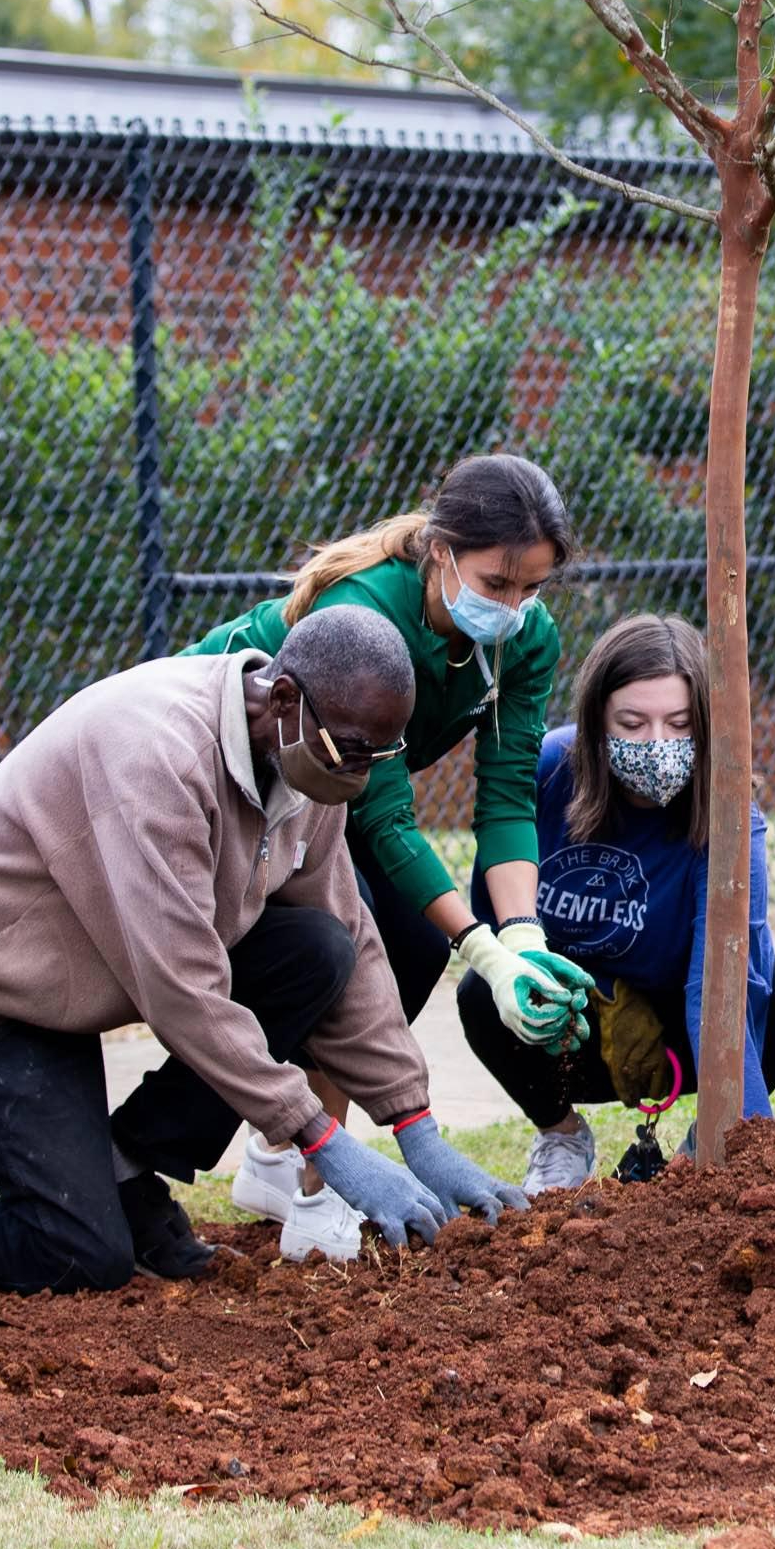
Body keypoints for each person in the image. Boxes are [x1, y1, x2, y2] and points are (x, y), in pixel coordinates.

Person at [0, 605, 525, 1305]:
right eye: (353, 750)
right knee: (74, 1255)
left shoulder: (312, 757)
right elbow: (180, 986)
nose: (362, 774)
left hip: (79, 973)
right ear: (282, 698)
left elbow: (346, 929)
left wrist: (413, 1123)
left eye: (381, 755)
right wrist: (320, 1139)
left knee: (315, 951)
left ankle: (124, 1176)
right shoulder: (157, 752)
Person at [181, 455, 596, 1252]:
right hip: (220, 782)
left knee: (409, 947)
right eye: (496, 583)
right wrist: (480, 949)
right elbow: (385, 816)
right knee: (347, 943)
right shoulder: (367, 610)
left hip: (322, 792)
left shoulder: (524, 639)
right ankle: (315, 1188)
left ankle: (278, 1159)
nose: (512, 607)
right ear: (440, 551)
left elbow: (507, 794)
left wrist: (521, 938)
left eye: (532, 588)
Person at [455, 613, 775, 1192]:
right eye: (632, 723)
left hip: (681, 1030)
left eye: (679, 723)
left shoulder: (729, 813)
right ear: (596, 719)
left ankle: (705, 1145)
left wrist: (743, 1144)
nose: (657, 744)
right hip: (570, 1028)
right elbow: (497, 919)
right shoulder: (550, 770)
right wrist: (595, 996)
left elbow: (722, 983)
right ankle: (561, 1136)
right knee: (483, 989)